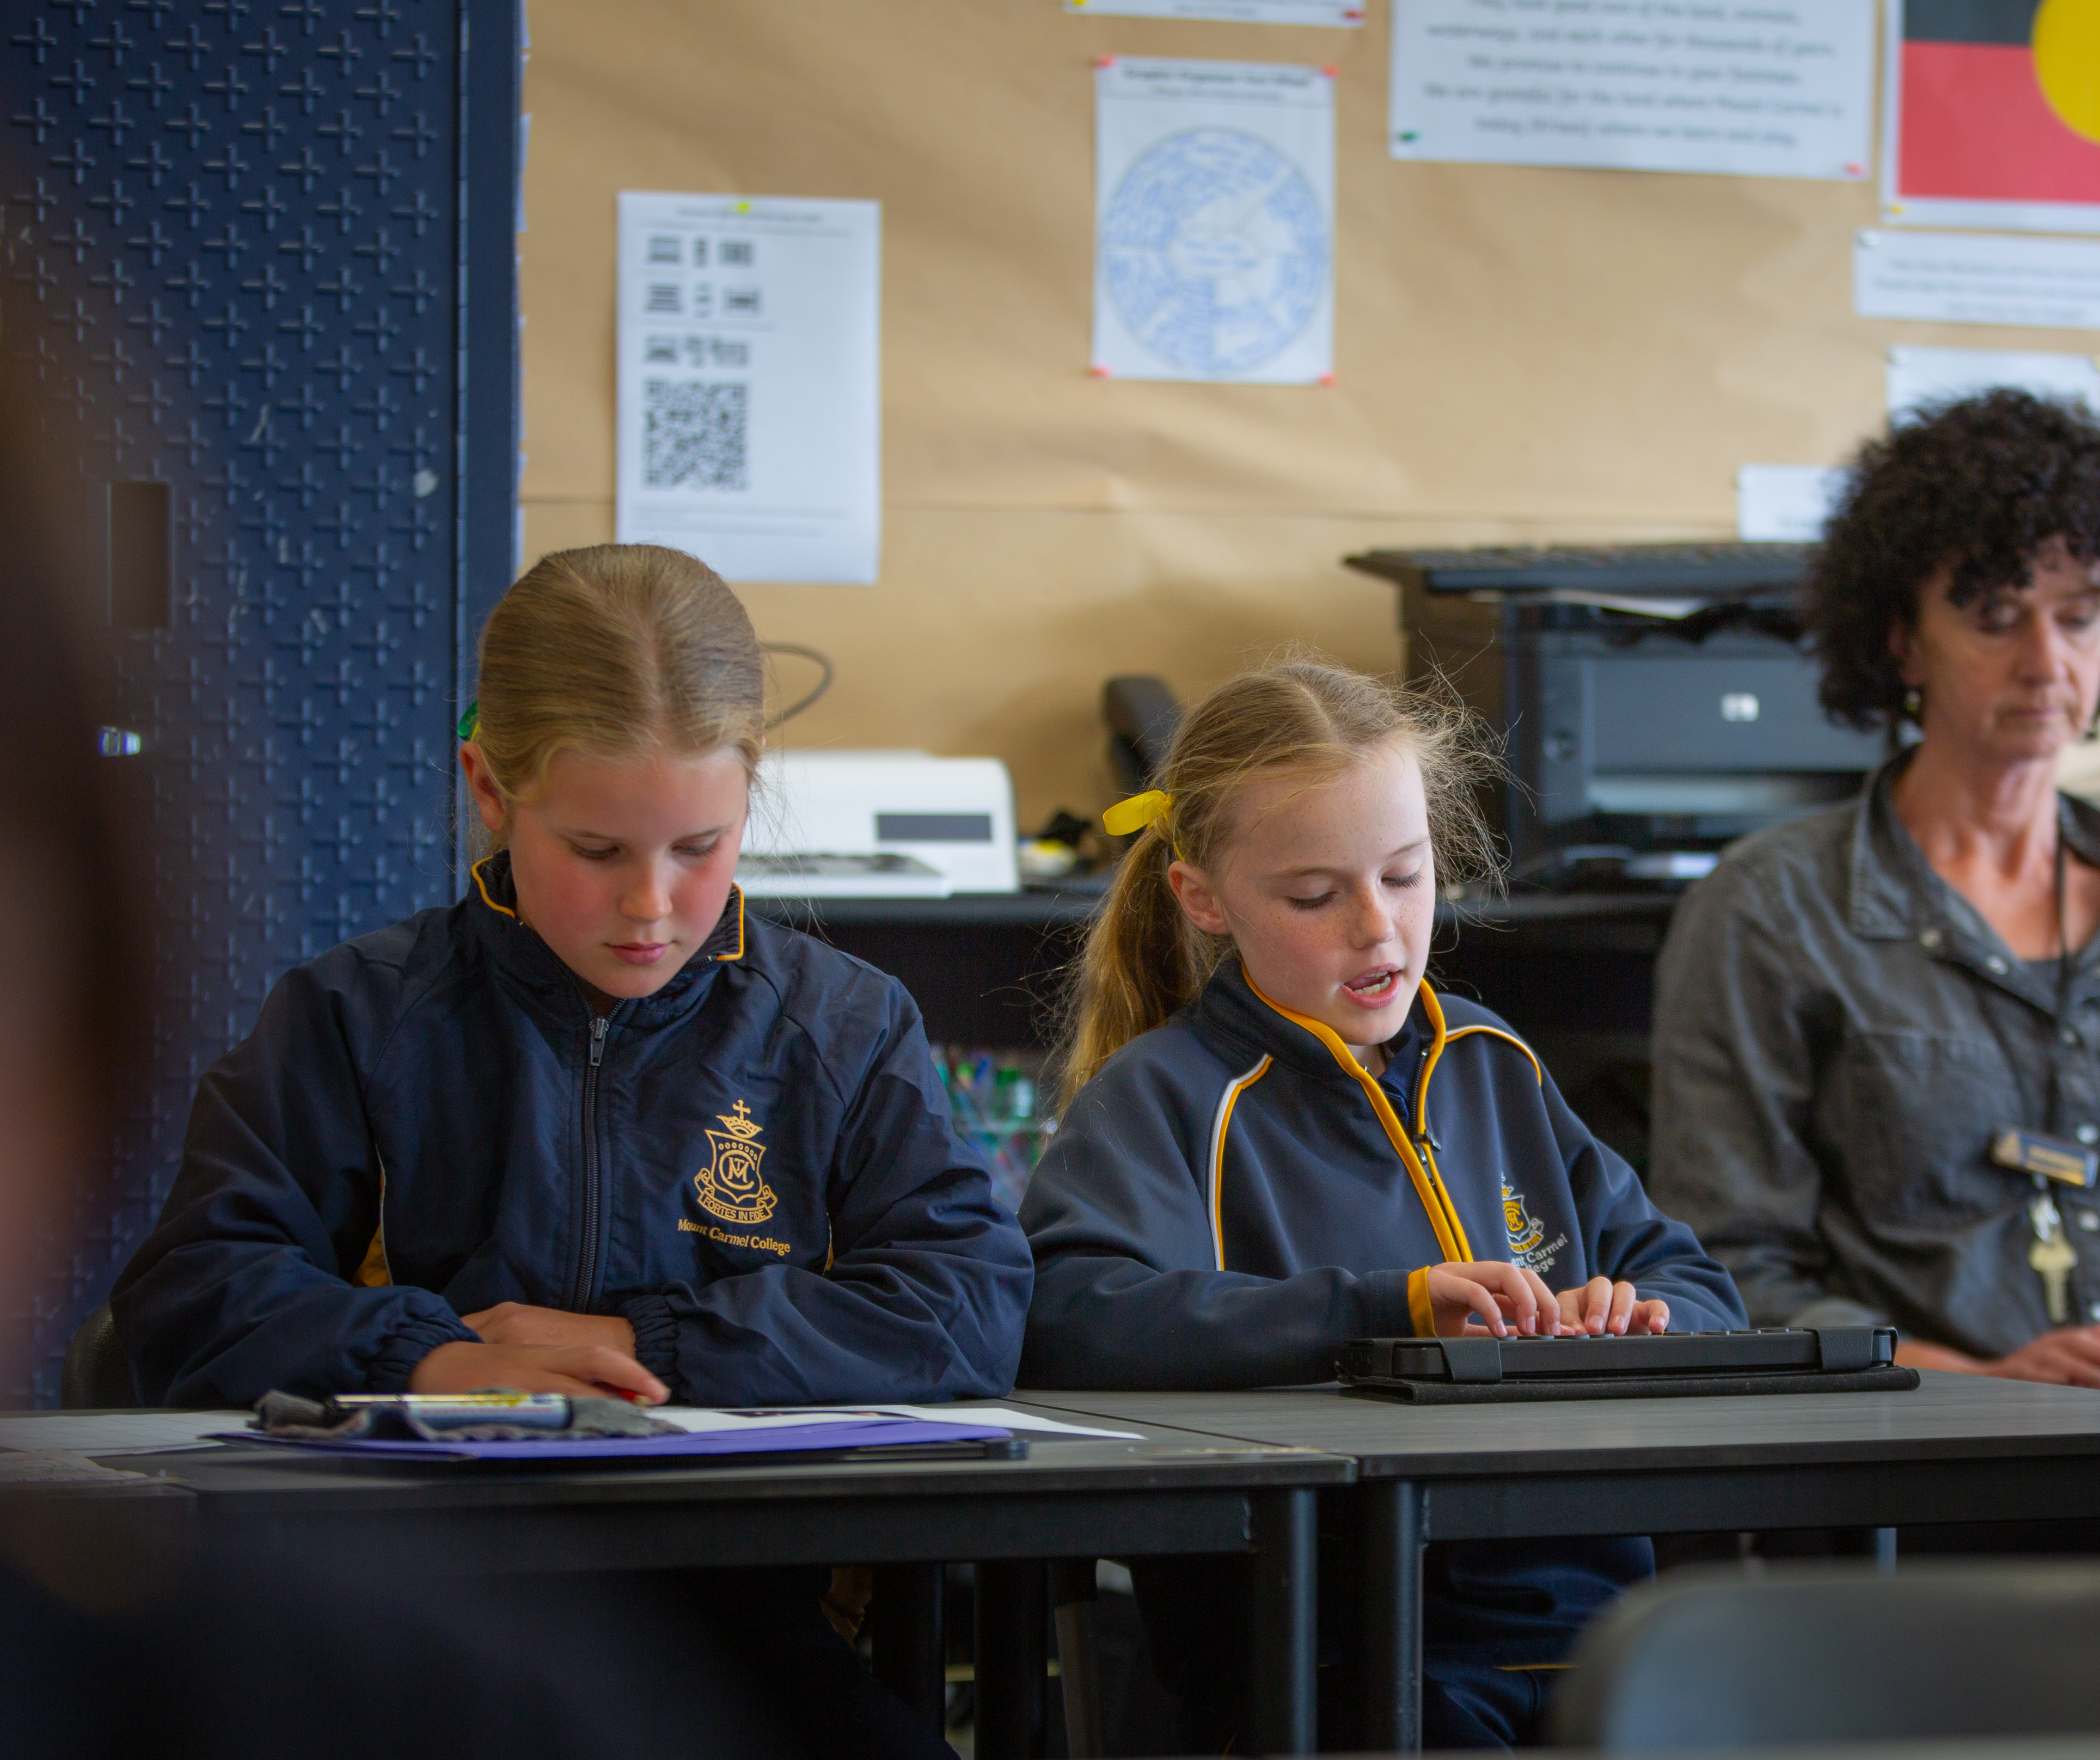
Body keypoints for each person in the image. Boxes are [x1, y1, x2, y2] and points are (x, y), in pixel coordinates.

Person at [108, 542, 1033, 1755]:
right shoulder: (353, 1015)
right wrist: (432, 1360)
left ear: (749, 788)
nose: (650, 904)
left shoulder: (844, 1024)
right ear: (489, 789)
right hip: (407, 1630)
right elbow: (194, 1290)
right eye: (596, 851)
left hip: (734, 1627)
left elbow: (969, 1296)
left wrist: (648, 1345)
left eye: (698, 847)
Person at [1019, 659, 1746, 1750]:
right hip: (1331, 1651)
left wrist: (1639, 1319)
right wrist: (1386, 1312)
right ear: (1203, 899)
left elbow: (1698, 1283)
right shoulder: (1165, 1096)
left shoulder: (1493, 1060)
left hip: (1593, 1636)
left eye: (1405, 876)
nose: (1378, 928)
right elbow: (1066, 1315)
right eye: (1314, 897)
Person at [1649, 390, 2100, 1389]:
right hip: (1932, 1442)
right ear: (1902, 640)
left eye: (2079, 617)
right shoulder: (1768, 910)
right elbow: (1726, 1275)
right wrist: (1982, 1379)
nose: (2046, 663)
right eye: (1994, 617)